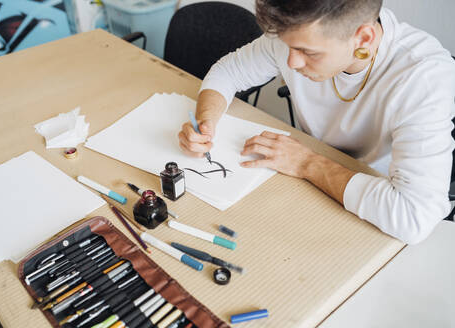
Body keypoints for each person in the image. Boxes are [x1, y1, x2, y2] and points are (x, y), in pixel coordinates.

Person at [177, 0, 455, 244]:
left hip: (372, 207)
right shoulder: (297, 32)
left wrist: (305, 162)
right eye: (287, 45)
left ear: (364, 38)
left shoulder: (424, 76)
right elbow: (228, 72)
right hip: (307, 185)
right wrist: (206, 120)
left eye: (308, 52)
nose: (292, 62)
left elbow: (413, 217)